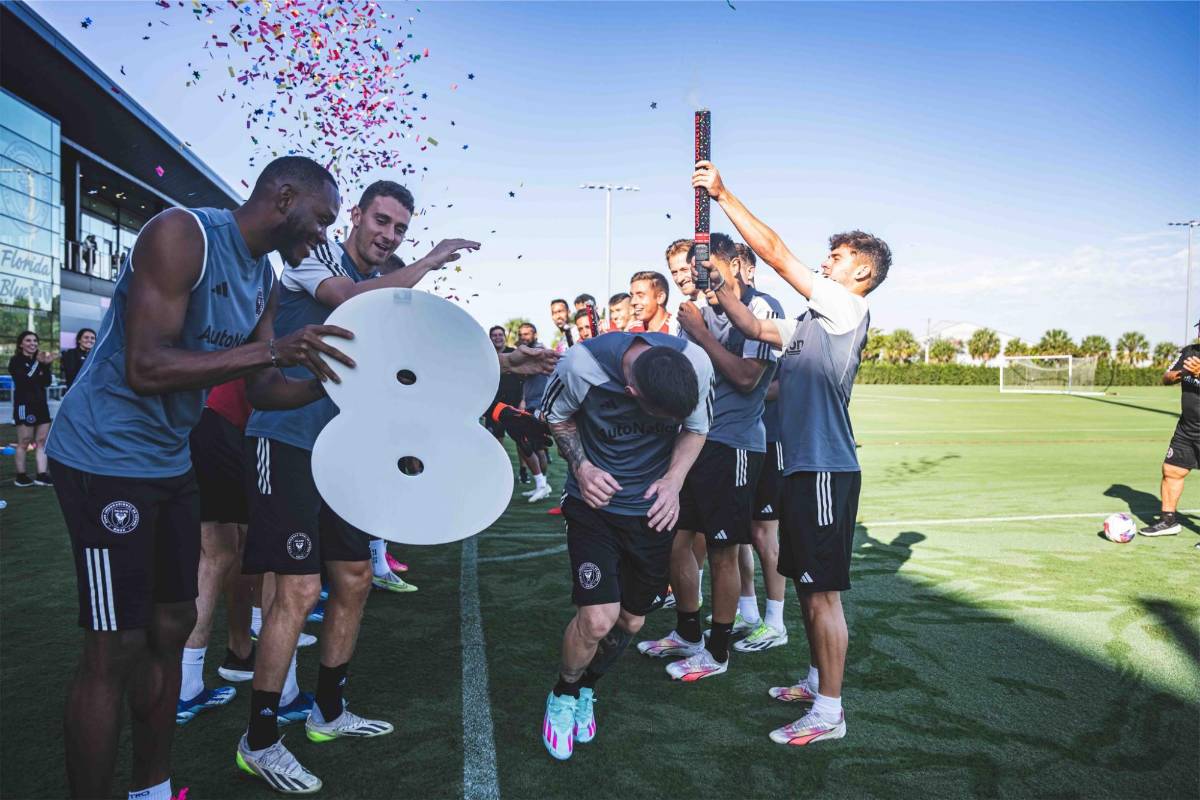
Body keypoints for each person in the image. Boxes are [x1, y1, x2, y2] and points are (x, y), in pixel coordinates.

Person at [44, 155, 358, 800]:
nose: (324, 234)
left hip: (168, 459)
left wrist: (336, 380)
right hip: (104, 457)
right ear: (284, 196)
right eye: (321, 219)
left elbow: (265, 390)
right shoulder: (181, 233)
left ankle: (152, 788)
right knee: (116, 645)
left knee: (171, 625)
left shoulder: (265, 279)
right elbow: (146, 366)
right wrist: (272, 349)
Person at [238, 179, 477, 792]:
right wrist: (426, 262)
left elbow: (414, 365)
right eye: (382, 221)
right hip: (285, 438)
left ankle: (328, 711)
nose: (389, 236)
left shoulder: (390, 291)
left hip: (346, 450)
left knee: (354, 577)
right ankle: (260, 739)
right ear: (358, 217)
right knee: (296, 587)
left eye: (400, 230)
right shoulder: (311, 259)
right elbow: (348, 299)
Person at [696, 157, 891, 747]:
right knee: (809, 585)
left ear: (860, 272)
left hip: (828, 468)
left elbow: (778, 253)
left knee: (824, 593)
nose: (825, 262)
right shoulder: (813, 319)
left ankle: (829, 711)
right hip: (803, 466)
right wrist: (721, 287)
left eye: (836, 258)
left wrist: (723, 194)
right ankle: (815, 680)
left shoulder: (846, 306)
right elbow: (755, 330)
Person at [539, 331, 714, 761]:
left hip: (652, 511)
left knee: (631, 623)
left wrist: (673, 483)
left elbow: (696, 428)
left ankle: (585, 689)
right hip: (593, 508)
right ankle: (562, 693)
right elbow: (554, 416)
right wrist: (582, 468)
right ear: (632, 391)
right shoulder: (581, 366)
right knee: (598, 619)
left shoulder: (698, 363)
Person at [637, 233, 782, 681]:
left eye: (702, 269)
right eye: (686, 271)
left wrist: (699, 331)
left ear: (736, 264)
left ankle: (717, 652)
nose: (694, 278)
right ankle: (688, 634)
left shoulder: (763, 309)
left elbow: (745, 378)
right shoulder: (692, 311)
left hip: (735, 444)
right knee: (679, 544)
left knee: (723, 551)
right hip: (694, 442)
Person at [176, 378, 259, 726]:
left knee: (237, 546)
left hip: (217, 423)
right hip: (217, 425)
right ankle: (186, 687)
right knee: (217, 553)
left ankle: (239, 653)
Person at [732, 242, 791, 653]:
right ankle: (748, 611)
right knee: (736, 533)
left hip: (768, 438)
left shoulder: (765, 307)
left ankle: (776, 621)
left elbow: (779, 382)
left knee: (762, 533)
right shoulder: (729, 310)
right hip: (740, 438)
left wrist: (740, 390)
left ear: (742, 268)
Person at [1140, 321, 1200, 543]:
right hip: (1187, 428)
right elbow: (1166, 378)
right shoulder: (1189, 352)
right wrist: (1183, 371)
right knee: (1172, 470)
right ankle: (1168, 521)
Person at [8, 330, 54, 487]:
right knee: (24, 441)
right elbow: (25, 380)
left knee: (41, 441)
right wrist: (40, 364)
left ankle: (42, 475)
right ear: (21, 344)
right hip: (24, 406)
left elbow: (46, 382)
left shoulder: (39, 361)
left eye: (35, 341)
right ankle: (21, 476)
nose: (33, 343)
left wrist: (46, 366)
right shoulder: (16, 361)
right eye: (28, 340)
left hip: (41, 405)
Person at [517, 323, 553, 502]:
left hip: (540, 404)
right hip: (531, 402)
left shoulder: (538, 350)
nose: (523, 337)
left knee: (533, 445)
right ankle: (542, 485)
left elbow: (524, 369)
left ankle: (542, 485)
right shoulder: (527, 353)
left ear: (535, 334)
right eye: (521, 334)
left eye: (527, 333)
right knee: (533, 445)